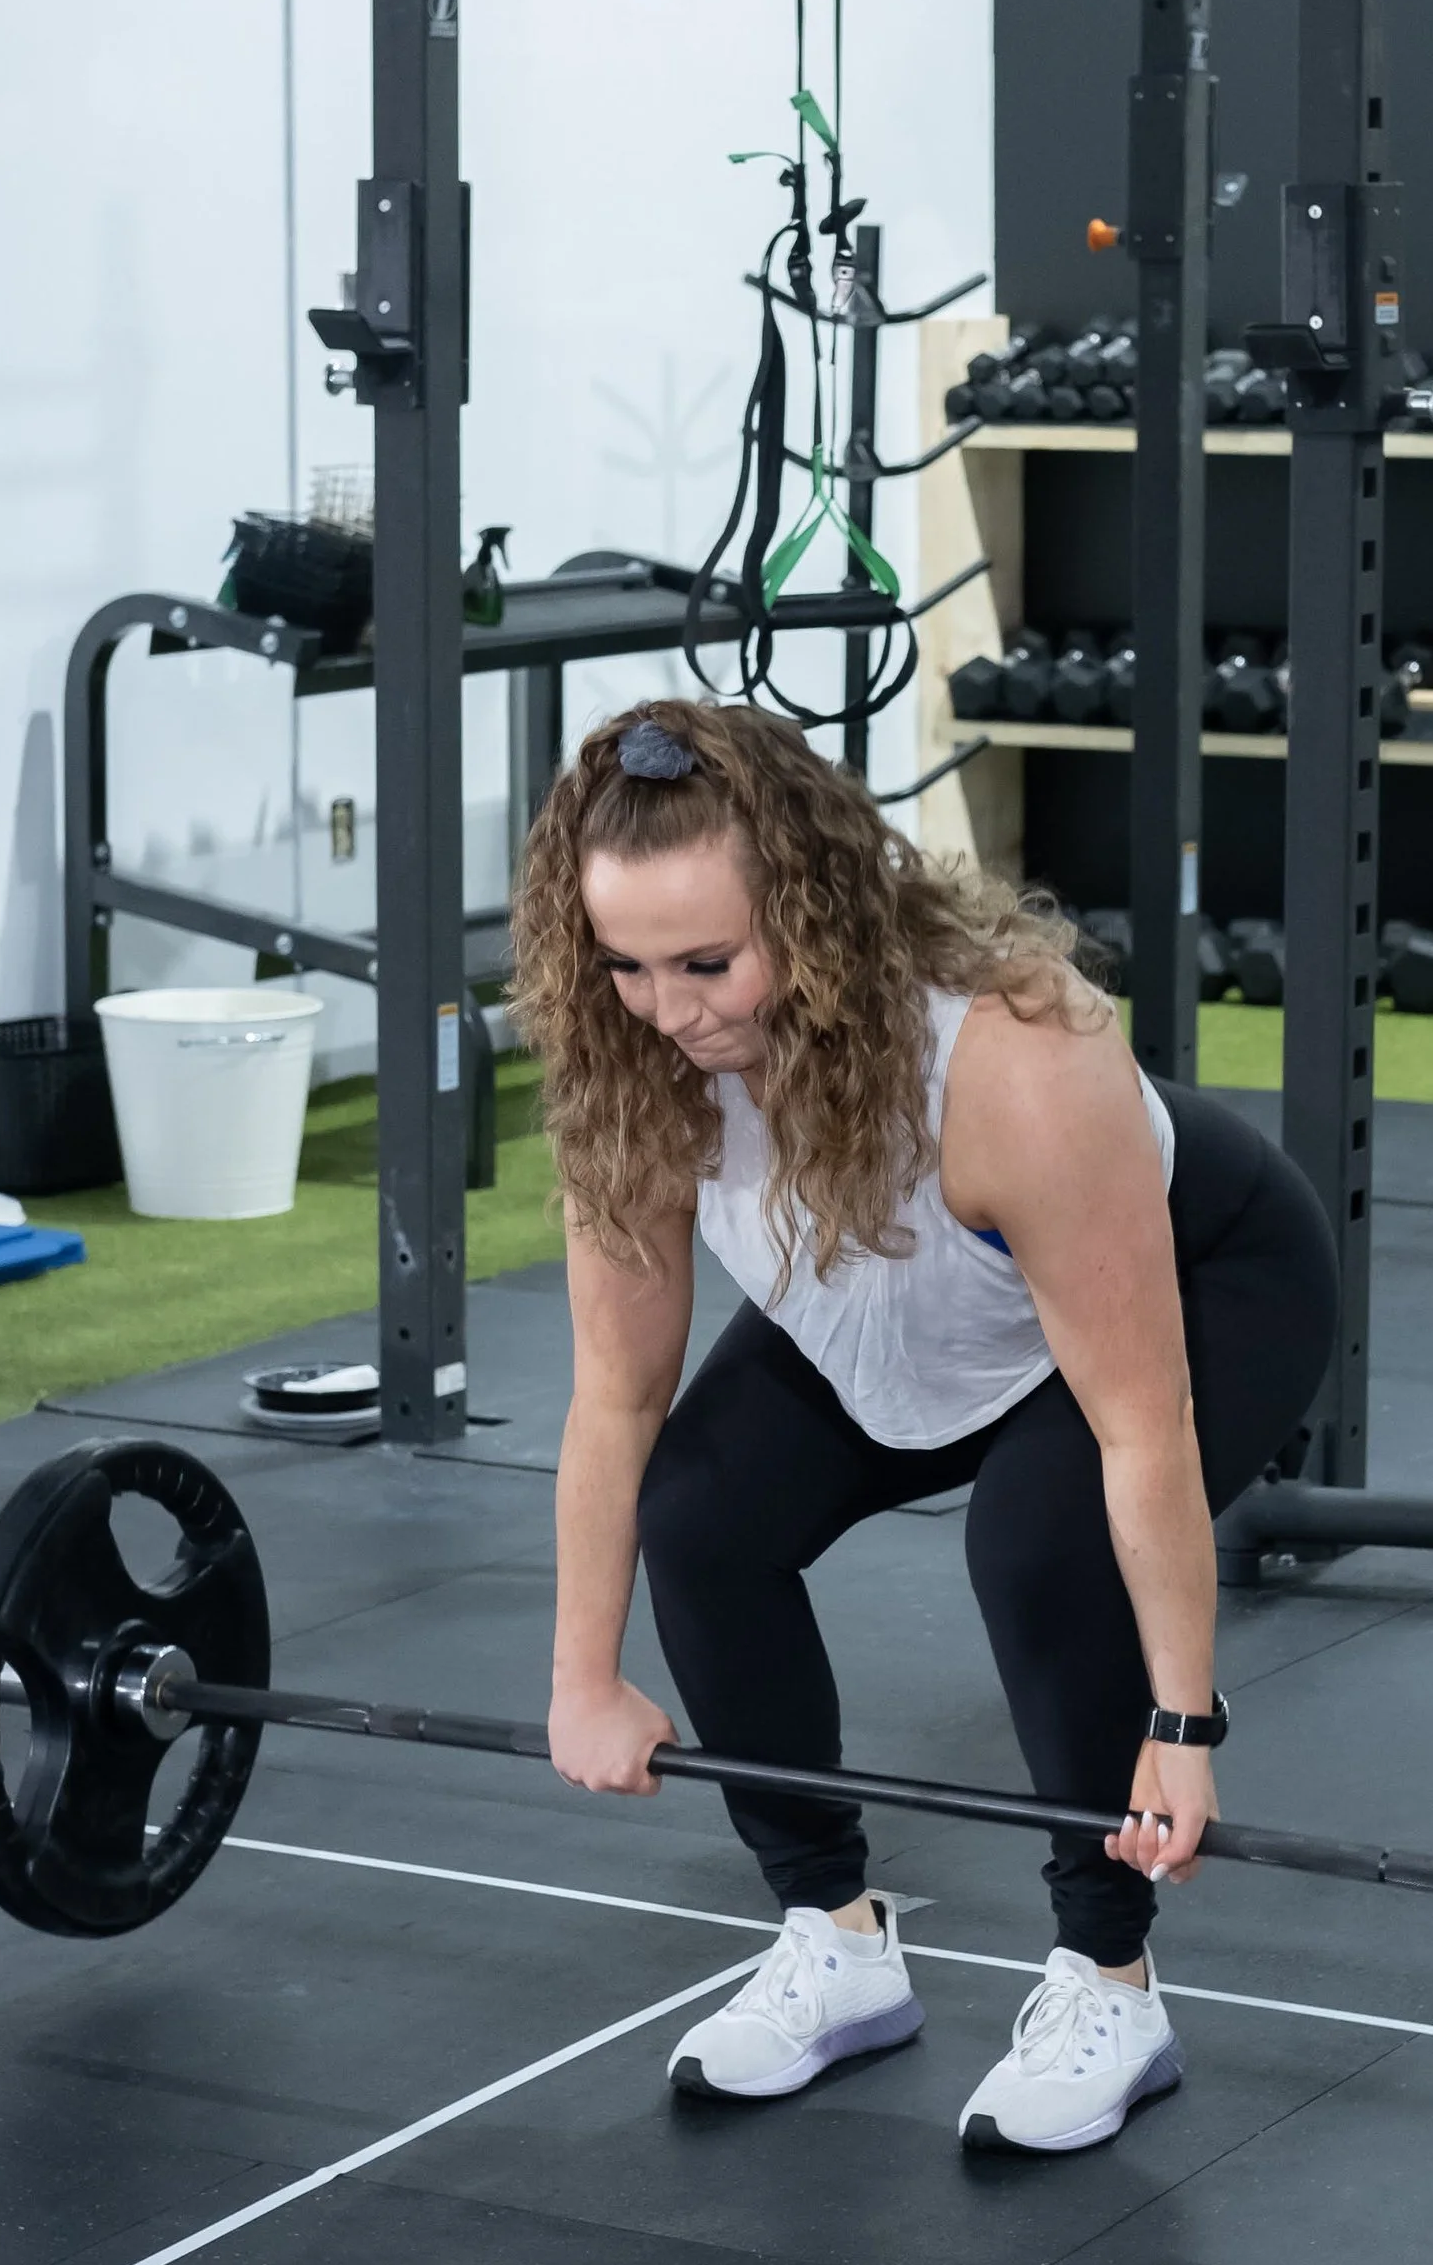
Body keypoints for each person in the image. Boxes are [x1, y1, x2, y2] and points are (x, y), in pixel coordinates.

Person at [509, 698, 1338, 2154]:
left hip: (1200, 1277)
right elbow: (618, 1394)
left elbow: (1141, 1427)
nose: (676, 1008)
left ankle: (1110, 1976)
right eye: (629, 966)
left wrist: (1182, 1723)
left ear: (816, 909)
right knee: (701, 1511)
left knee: (1038, 1536)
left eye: (711, 961)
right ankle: (835, 1942)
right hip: (907, 1292)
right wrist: (585, 1676)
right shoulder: (634, 1064)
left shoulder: (1015, 1055)